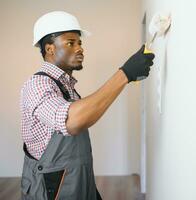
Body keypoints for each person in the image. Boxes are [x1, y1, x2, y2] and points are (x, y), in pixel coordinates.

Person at [20, 11, 155, 200]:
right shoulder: (38, 84)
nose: (79, 49)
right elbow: (70, 121)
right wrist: (124, 74)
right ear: (50, 49)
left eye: (80, 43)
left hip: (76, 184)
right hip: (52, 190)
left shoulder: (67, 87)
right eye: (70, 43)